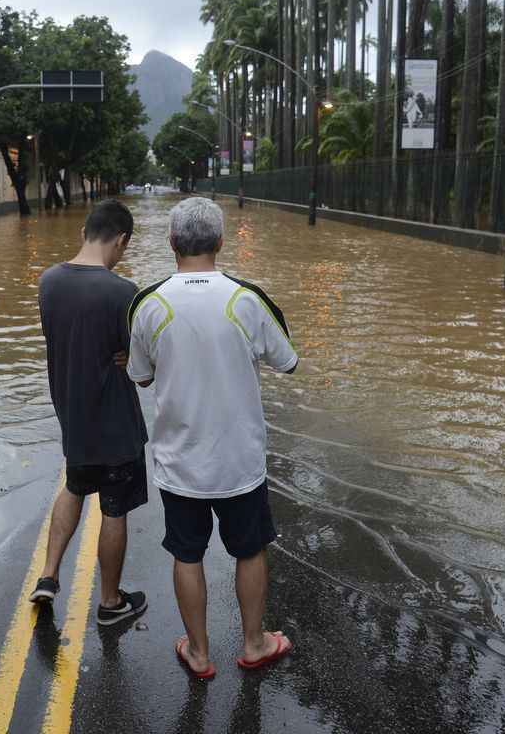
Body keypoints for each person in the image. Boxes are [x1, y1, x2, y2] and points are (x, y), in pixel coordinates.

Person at [126, 197, 298, 679]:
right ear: (221, 243)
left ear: (171, 242)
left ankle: (198, 653)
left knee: (187, 553)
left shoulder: (148, 302)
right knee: (249, 549)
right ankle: (255, 643)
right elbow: (287, 361)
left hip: (180, 464)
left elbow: (140, 375)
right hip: (239, 461)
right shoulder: (247, 298)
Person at [30, 199, 149, 627]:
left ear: (84, 232)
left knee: (74, 487)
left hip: (73, 417)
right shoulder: (123, 291)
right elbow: (141, 367)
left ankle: (47, 576)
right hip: (115, 425)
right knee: (114, 510)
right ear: (121, 240)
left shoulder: (48, 282)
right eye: (123, 247)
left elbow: (59, 337)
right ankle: (111, 602)